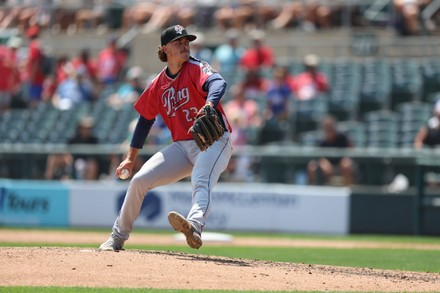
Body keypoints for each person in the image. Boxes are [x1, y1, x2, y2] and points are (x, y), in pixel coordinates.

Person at [99, 25, 233, 251]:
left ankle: (194, 226)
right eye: (178, 42)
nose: (184, 45)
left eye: (186, 41)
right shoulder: (158, 84)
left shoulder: (196, 67)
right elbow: (145, 120)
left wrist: (209, 103)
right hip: (182, 146)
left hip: (215, 140)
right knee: (139, 181)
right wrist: (131, 158)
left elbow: (218, 83)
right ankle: (117, 237)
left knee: (201, 179)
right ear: (164, 49)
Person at [307, 115, 355, 186]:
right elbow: (319, 157)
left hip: (341, 165)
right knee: (312, 166)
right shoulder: (322, 141)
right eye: (326, 128)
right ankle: (314, 190)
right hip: (328, 167)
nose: (329, 129)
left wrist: (345, 159)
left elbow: (352, 151)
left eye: (330, 127)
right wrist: (323, 162)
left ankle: (347, 190)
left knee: (346, 164)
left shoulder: (342, 138)